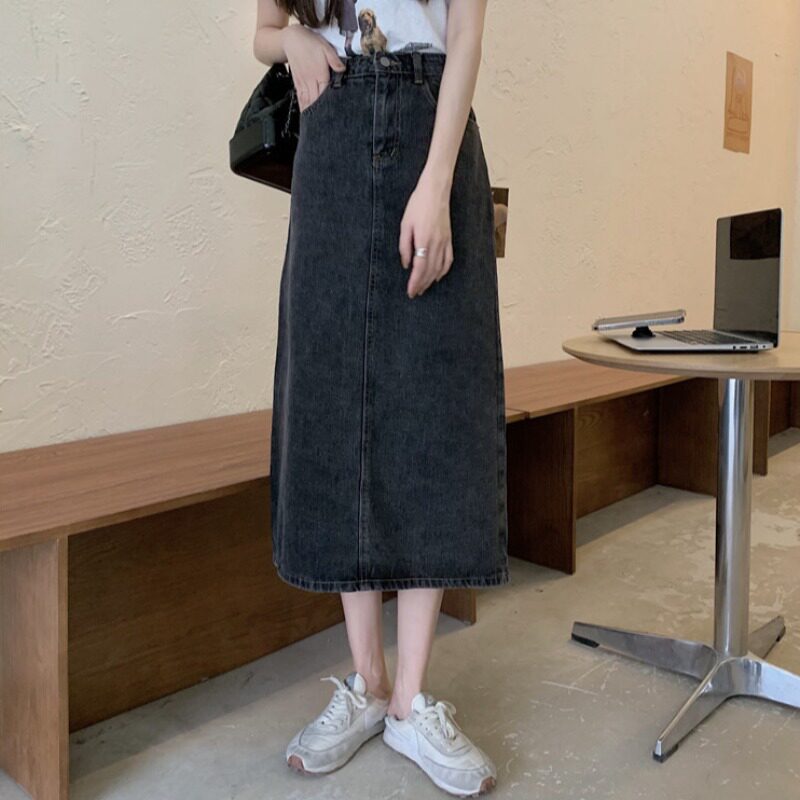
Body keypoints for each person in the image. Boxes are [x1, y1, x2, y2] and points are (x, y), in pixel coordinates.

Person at [254, 0, 506, 795]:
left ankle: (410, 699)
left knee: (435, 399)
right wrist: (293, 39)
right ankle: (366, 683)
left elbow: (466, 32)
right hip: (330, 133)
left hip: (434, 126)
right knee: (335, 395)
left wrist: (436, 182)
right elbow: (261, 30)